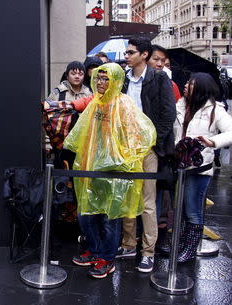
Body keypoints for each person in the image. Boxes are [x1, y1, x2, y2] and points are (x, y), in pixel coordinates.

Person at [65, 63, 156, 279]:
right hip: (91, 166)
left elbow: (140, 134)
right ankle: (95, 252)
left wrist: (122, 159)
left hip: (114, 169)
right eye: (98, 78)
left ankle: (107, 258)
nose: (101, 83)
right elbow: (82, 132)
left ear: (115, 81)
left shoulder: (123, 103)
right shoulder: (96, 103)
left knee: (110, 217)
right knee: (87, 214)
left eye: (106, 79)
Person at [116, 37, 176, 273]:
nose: (126, 56)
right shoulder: (122, 79)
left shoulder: (158, 78)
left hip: (148, 147)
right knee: (127, 198)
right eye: (126, 52)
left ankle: (148, 252)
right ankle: (129, 244)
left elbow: (168, 114)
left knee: (148, 202)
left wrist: (152, 143)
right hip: (126, 147)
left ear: (144, 55)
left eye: (131, 52)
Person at [173, 73, 232, 262]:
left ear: (201, 88)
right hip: (180, 165)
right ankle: (181, 243)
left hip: (200, 168)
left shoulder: (215, 109)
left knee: (192, 208)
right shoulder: (181, 105)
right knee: (180, 206)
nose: (186, 86)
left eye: (191, 84)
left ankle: (190, 248)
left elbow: (230, 132)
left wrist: (212, 142)